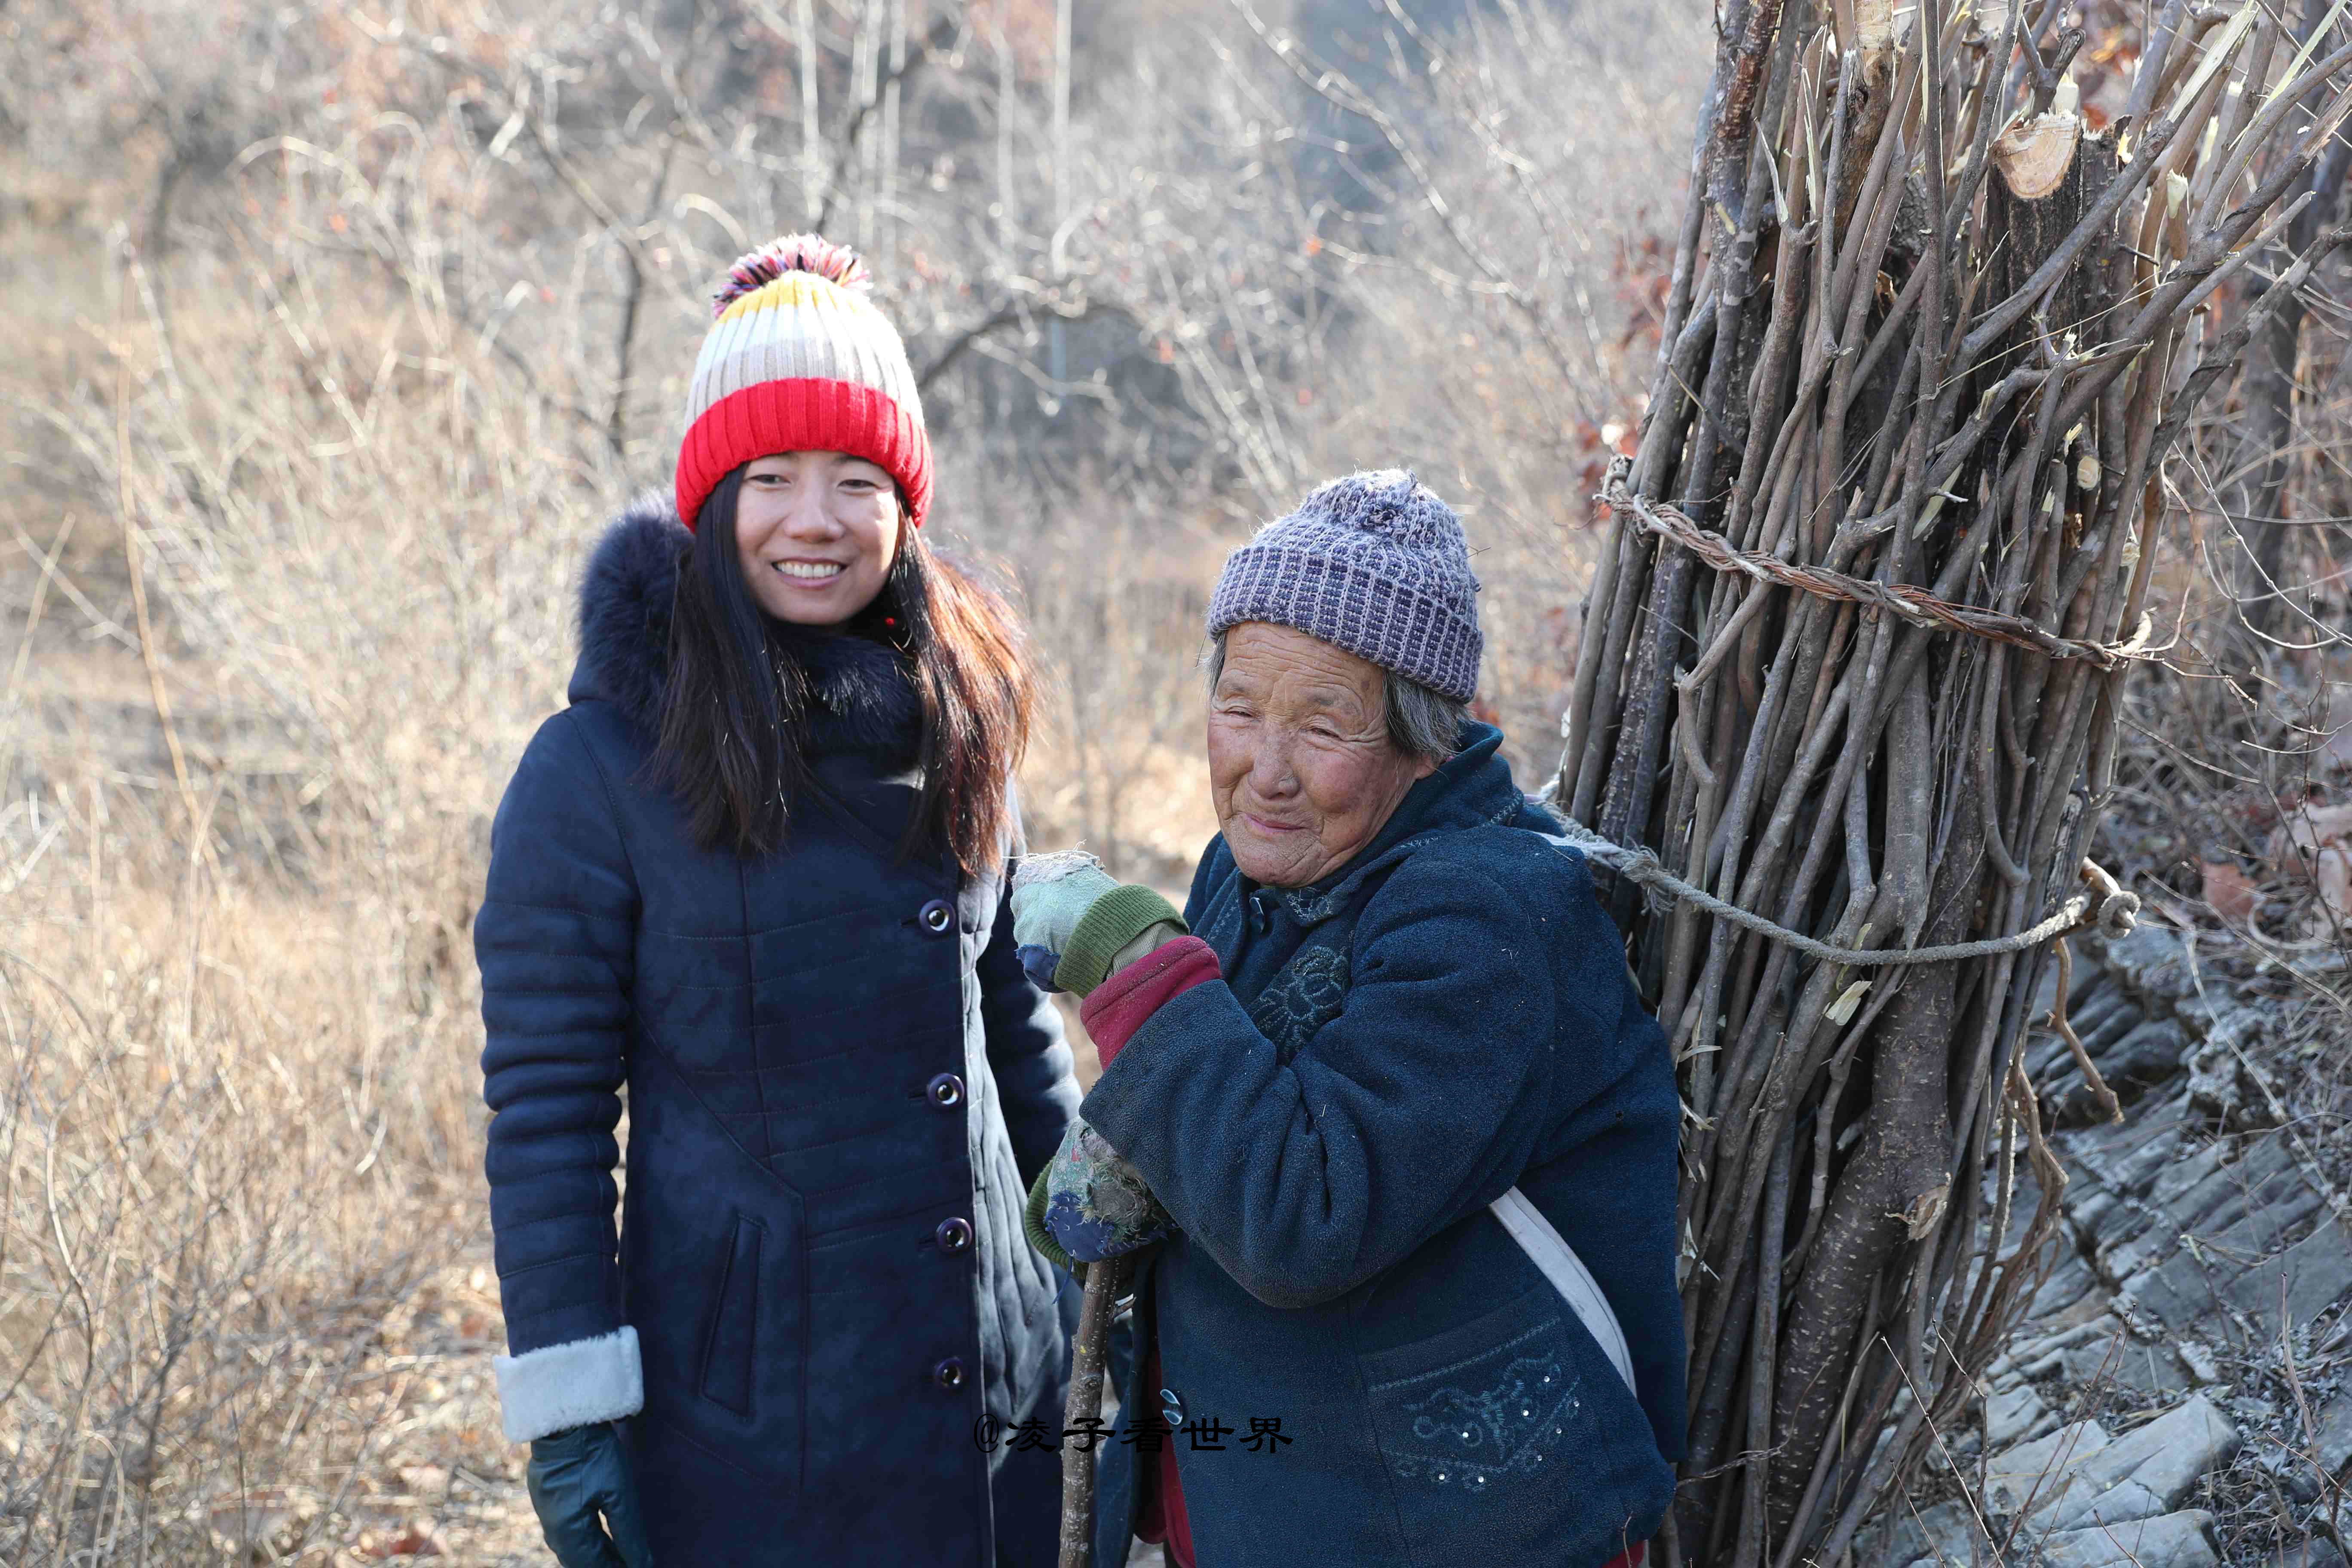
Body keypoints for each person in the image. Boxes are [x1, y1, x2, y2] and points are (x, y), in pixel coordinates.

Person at [474, 235, 1080, 1567]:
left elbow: (1012, 1034)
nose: (818, 518)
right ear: (711, 499)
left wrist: (1094, 1265)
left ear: (904, 508)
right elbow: (550, 1115)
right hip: (755, 1428)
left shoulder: (959, 720)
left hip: (1001, 1383)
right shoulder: (599, 770)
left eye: (858, 479)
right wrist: (575, 1409)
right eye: (775, 478)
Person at [1014, 470, 1688, 1568]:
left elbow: (1304, 1216)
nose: (1264, 772)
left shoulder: (1493, 919)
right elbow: (1235, 1099)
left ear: (1427, 741)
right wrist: (1138, 1155)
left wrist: (1133, 962)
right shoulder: (1252, 868)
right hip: (1269, 1512)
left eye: (1323, 725)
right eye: (1239, 708)